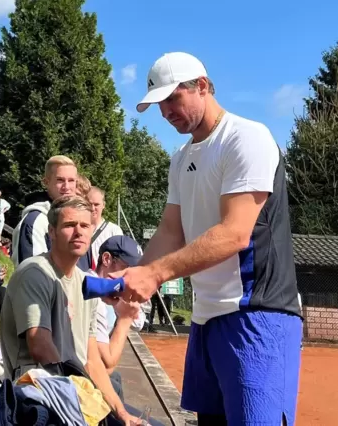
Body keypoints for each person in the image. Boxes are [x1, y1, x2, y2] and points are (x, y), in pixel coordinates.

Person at [112, 52, 302, 426]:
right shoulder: (181, 158)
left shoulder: (247, 138)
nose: (165, 112)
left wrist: (155, 276)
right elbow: (171, 229)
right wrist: (132, 278)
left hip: (257, 314)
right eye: (158, 105)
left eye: (171, 99)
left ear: (201, 86)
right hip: (207, 318)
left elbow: (234, 233)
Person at [0, 196, 141, 425]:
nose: (78, 232)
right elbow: (41, 348)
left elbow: (92, 362)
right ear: (52, 232)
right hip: (38, 396)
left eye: (84, 226)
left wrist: (121, 413)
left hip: (73, 392)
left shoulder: (86, 285)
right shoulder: (35, 274)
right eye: (69, 225)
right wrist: (82, 397)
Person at [90, 235, 146, 399]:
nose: (132, 276)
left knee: (116, 380)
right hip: (82, 380)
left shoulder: (112, 291)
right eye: (127, 267)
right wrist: (125, 318)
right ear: (106, 259)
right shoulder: (93, 296)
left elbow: (139, 322)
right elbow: (104, 366)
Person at [10, 155, 78, 266]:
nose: (67, 187)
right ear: (46, 182)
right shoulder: (35, 222)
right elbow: (32, 276)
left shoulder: (77, 220)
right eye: (60, 180)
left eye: (71, 181)